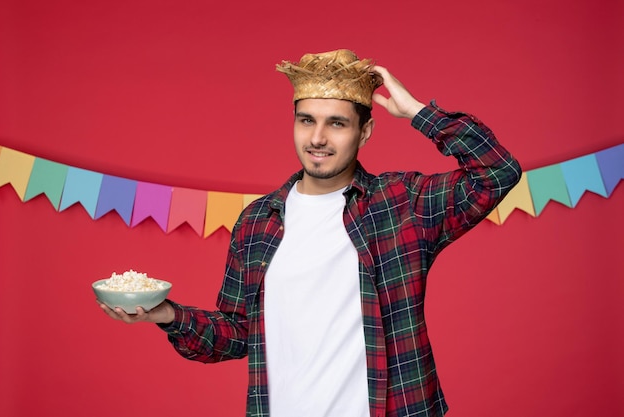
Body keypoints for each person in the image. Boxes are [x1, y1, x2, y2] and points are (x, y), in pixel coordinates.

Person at [99, 49, 522, 417]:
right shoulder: (258, 221)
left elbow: (497, 172)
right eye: (306, 120)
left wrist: (416, 112)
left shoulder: (403, 204)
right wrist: (167, 315)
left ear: (365, 131)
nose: (317, 138)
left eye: (336, 123)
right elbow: (238, 333)